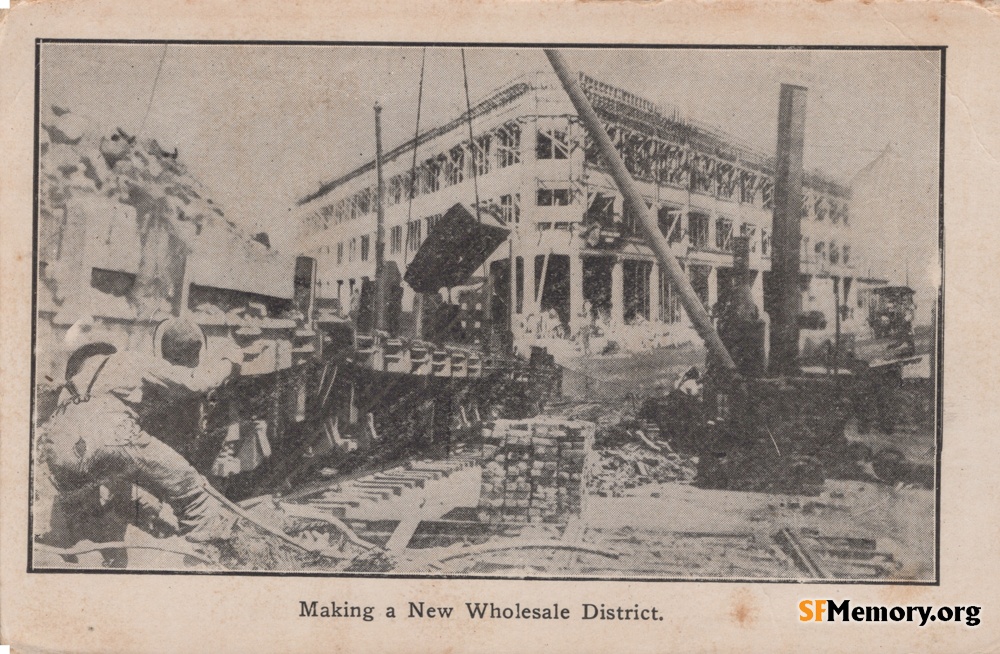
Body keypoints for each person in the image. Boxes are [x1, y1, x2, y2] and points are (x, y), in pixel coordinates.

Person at [36, 318, 244, 553]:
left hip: (58, 448)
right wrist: (229, 361)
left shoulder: (72, 385)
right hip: (109, 429)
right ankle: (206, 551)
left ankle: (80, 552)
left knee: (97, 509)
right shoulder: (129, 359)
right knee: (189, 485)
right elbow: (196, 383)